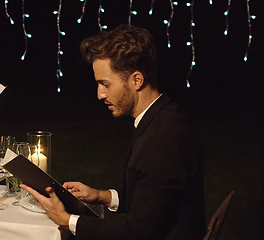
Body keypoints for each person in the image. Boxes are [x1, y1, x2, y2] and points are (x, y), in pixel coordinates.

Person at [21, 24, 206, 239]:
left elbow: (138, 233)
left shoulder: (161, 139)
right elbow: (154, 200)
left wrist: (66, 220)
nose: (100, 94)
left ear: (136, 80)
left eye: (105, 84)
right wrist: (101, 196)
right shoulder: (164, 115)